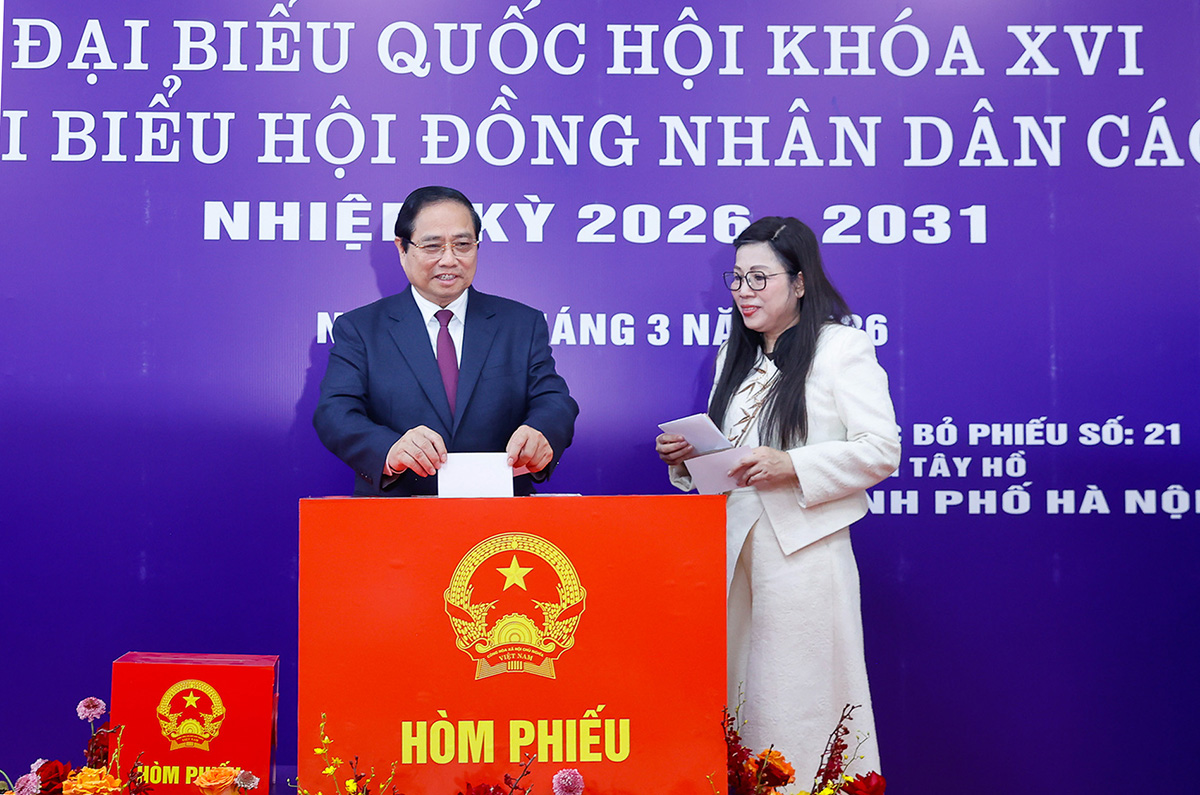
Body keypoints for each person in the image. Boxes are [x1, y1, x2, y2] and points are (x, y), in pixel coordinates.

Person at [656, 217, 899, 774]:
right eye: (737, 278)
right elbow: (728, 461)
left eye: (760, 278)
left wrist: (792, 465)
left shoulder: (841, 348)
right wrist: (688, 459)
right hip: (732, 556)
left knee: (800, 708)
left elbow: (882, 449)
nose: (745, 291)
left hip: (804, 555)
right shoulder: (733, 355)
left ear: (800, 281)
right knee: (740, 705)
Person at [314, 185, 578, 496]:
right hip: (397, 510)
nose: (449, 259)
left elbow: (554, 400)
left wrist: (541, 432)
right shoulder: (360, 328)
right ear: (402, 249)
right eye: (432, 246)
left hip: (498, 511)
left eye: (463, 244)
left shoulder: (521, 324)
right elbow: (335, 412)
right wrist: (390, 449)